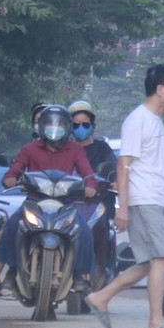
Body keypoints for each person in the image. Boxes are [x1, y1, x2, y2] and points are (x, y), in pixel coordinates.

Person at [88, 65, 164, 328]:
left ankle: (101, 297)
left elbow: (154, 168)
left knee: (148, 262)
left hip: (155, 198)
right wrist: (123, 207)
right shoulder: (138, 120)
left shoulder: (155, 121)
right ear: (160, 89)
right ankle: (156, 322)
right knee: (159, 259)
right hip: (143, 200)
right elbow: (124, 165)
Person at [0, 104, 98, 298]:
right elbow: (16, 169)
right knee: (11, 226)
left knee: (85, 231)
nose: (55, 128)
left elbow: (87, 172)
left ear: (67, 127)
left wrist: (90, 185)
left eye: (60, 124)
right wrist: (10, 178)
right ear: (41, 127)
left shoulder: (75, 149)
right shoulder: (29, 149)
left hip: (64, 203)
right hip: (34, 202)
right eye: (50, 124)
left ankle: (82, 276)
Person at [68, 99, 118, 285]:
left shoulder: (102, 148)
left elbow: (114, 169)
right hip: (70, 202)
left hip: (97, 202)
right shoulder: (66, 148)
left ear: (92, 126)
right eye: (76, 124)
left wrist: (114, 181)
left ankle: (101, 268)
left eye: (85, 124)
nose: (80, 128)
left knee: (100, 228)